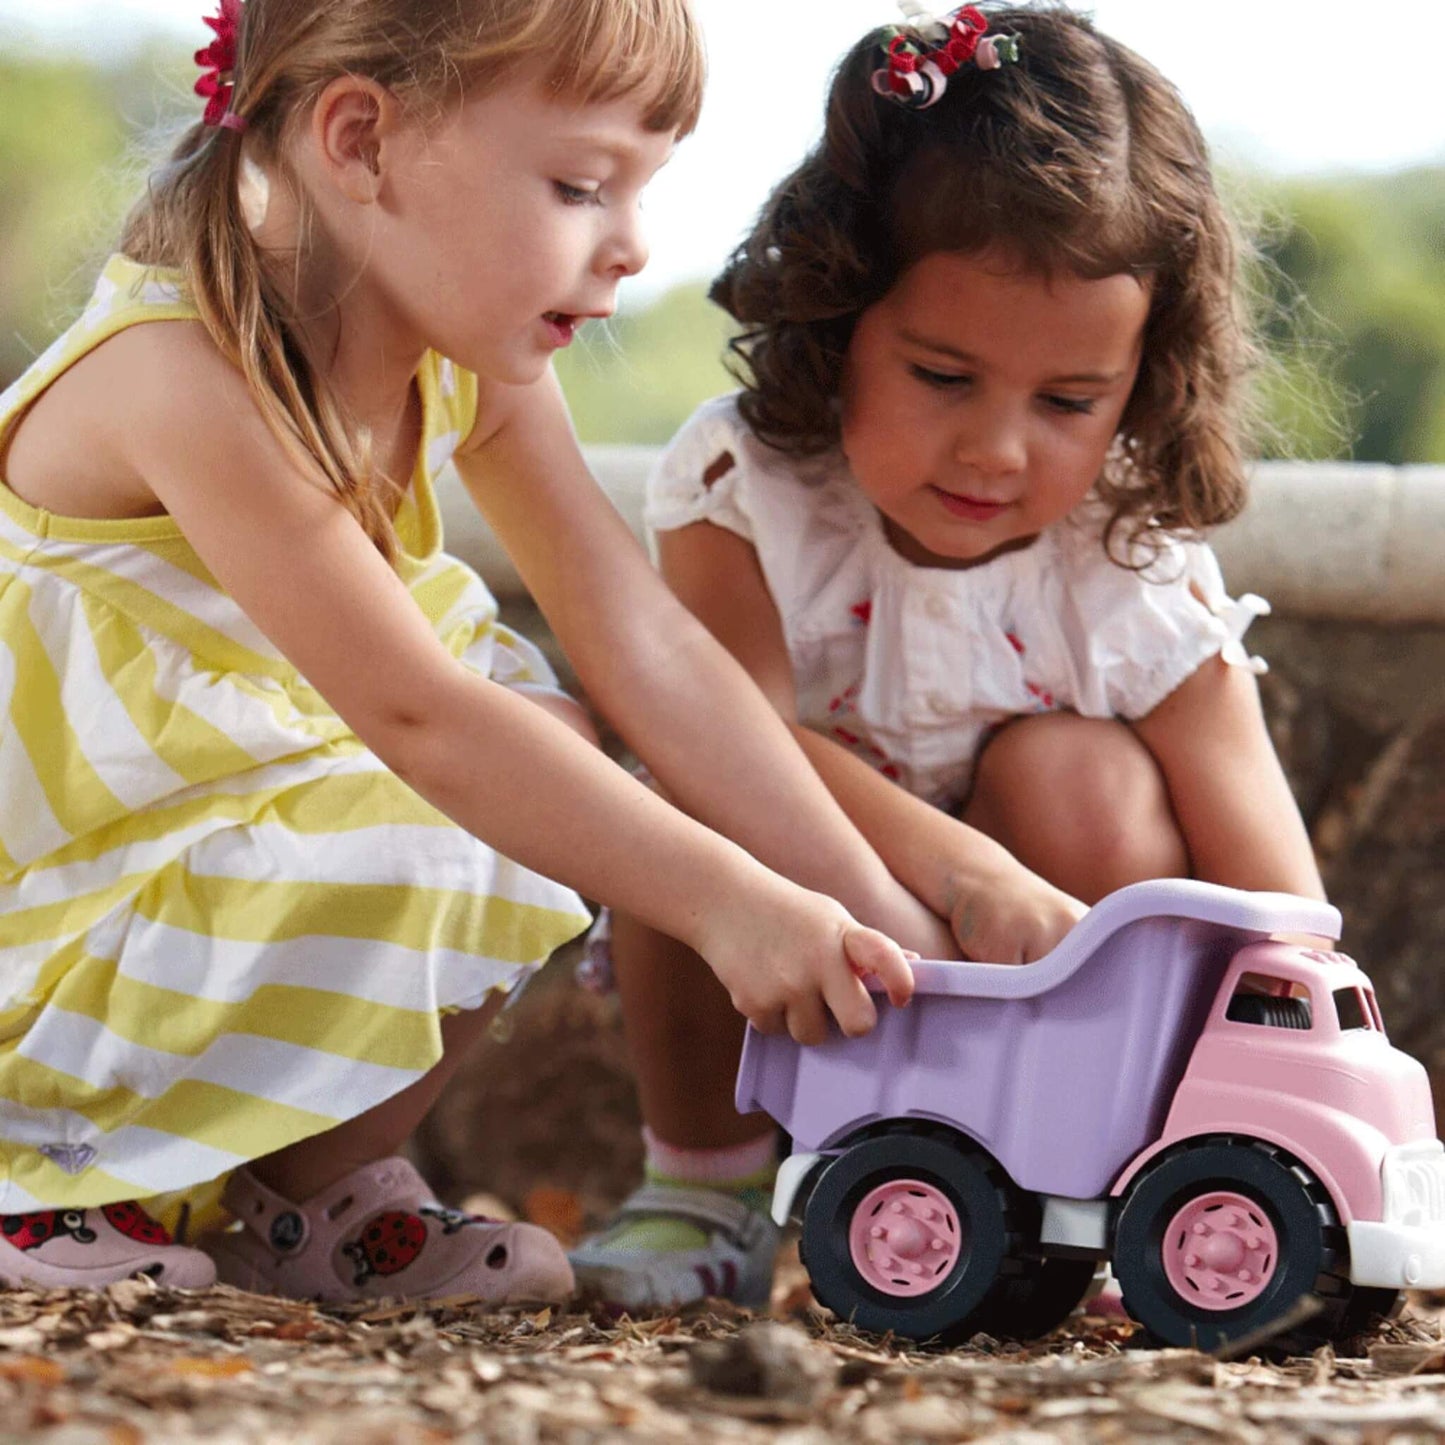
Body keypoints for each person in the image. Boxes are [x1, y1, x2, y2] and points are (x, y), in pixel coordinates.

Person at [0, 0, 1019, 1305]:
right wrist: (721, 905)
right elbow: (420, 717)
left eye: (641, 192)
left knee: (545, 744)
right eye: (581, 184)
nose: (633, 250)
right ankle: (41, 1166)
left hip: (182, 867)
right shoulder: (179, 376)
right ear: (361, 139)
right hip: (57, 914)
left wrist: (874, 914)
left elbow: (643, 638)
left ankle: (305, 1201)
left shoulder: (463, 367)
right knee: (489, 761)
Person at [570, 1, 1327, 1312]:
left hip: (1051, 1028)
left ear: (1142, 381)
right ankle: (704, 1184)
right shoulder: (746, 486)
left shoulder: (1128, 560)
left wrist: (1302, 1122)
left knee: (1082, 777)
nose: (994, 449)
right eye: (938, 374)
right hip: (792, 946)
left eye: (1067, 403)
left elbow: (1274, 894)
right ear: (835, 308)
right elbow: (719, 730)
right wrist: (960, 877)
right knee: (676, 779)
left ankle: (1079, 1186)